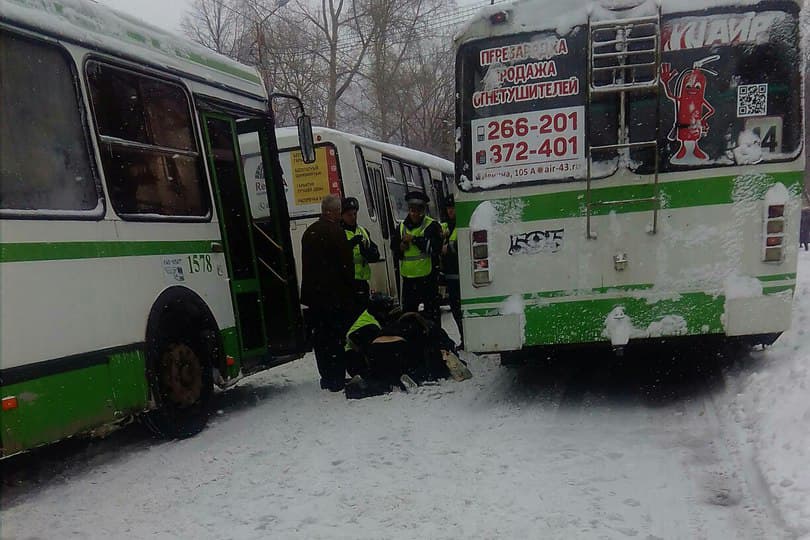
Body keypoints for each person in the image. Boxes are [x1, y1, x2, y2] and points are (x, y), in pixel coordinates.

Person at [300, 194, 356, 391]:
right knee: (335, 338)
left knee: (320, 339)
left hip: (314, 298)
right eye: (339, 211)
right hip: (334, 296)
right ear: (332, 212)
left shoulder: (309, 232)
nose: (341, 215)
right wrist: (350, 290)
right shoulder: (336, 232)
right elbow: (346, 267)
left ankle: (326, 377)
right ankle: (337, 378)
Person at [391, 191, 443, 325]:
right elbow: (394, 249)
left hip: (428, 279)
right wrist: (400, 247)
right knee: (408, 317)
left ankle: (435, 343)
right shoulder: (401, 227)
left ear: (423, 211)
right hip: (408, 280)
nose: (414, 214)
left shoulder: (432, 226)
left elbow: (435, 249)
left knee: (432, 315)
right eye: (412, 210)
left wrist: (414, 239)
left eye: (418, 211)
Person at [341, 197, 380, 308]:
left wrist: (367, 251)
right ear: (342, 216)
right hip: (347, 283)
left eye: (355, 214)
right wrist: (350, 244)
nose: (353, 217)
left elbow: (375, 255)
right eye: (349, 215)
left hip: (362, 282)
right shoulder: (339, 233)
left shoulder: (363, 231)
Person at [441, 195, 463, 348]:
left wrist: (449, 248)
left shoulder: (463, 224)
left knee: (462, 308)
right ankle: (462, 336)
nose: (451, 211)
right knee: (455, 308)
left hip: (462, 273)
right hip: (450, 274)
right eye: (448, 208)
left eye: (453, 208)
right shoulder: (444, 227)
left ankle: (467, 337)